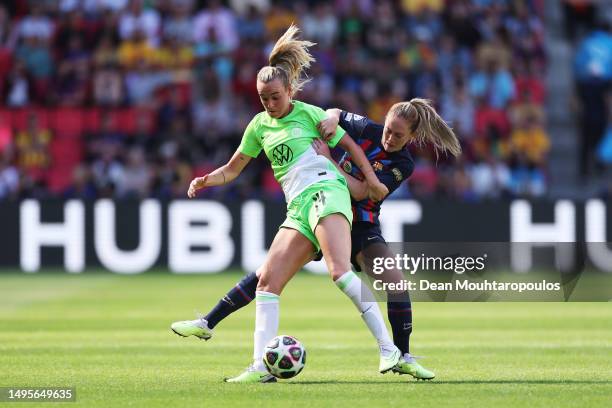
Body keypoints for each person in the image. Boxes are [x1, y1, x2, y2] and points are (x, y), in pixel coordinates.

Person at [172, 97, 461, 381]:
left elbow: (365, 192)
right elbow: (333, 112)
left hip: (360, 222)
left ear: (412, 136)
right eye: (388, 129)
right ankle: (208, 322)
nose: (389, 137)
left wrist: (329, 160)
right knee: (267, 275)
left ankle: (402, 355)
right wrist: (333, 119)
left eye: (398, 135)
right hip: (322, 207)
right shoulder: (369, 129)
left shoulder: (403, 163)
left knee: (394, 283)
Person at [174, 25, 401, 383]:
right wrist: (207, 179)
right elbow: (233, 169)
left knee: (340, 273)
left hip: (326, 190)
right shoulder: (258, 126)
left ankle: (389, 350)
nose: (270, 103)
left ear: (290, 90)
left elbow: (352, 147)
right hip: (297, 207)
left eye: (275, 96)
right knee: (267, 283)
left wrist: (371, 181)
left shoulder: (311, 114)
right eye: (264, 98)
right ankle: (260, 367)